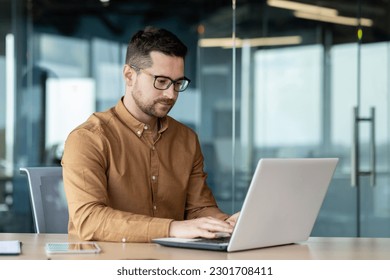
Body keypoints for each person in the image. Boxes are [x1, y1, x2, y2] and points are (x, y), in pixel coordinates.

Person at [61, 26, 239, 243]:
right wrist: (172, 228)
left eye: (177, 83)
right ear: (129, 75)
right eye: (161, 81)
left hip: (169, 264)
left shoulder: (186, 139)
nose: (170, 94)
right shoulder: (88, 138)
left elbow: (198, 209)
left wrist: (227, 223)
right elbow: (90, 220)